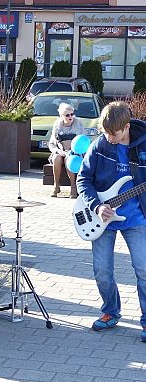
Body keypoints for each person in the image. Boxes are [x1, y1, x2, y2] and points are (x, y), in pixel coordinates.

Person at [76, 101, 146, 343]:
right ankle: (110, 311)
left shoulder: (144, 144)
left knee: (144, 270)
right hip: (100, 218)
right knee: (102, 271)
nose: (109, 137)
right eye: (105, 132)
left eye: (113, 134)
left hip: (136, 219)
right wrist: (97, 205)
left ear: (126, 127)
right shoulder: (100, 145)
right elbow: (83, 180)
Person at [49, 102, 84, 198]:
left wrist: (71, 151)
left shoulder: (78, 124)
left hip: (75, 153)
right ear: (62, 116)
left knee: (69, 159)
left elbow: (82, 142)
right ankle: (56, 186)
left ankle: (73, 187)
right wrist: (58, 151)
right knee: (56, 158)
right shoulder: (57, 125)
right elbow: (51, 144)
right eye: (67, 115)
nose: (70, 116)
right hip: (60, 151)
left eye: (72, 114)